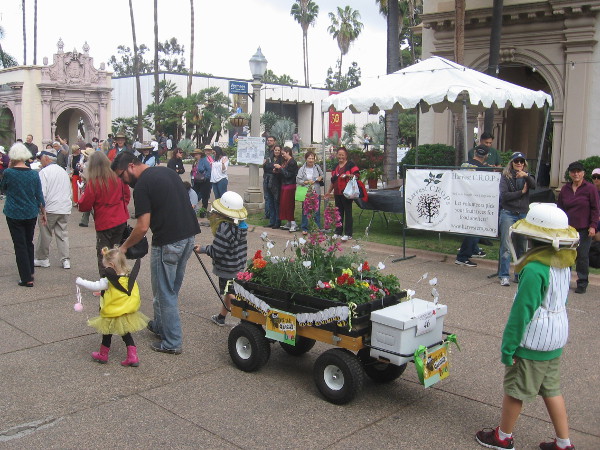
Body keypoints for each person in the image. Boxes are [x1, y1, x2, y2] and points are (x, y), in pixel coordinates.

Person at [475, 203, 579, 450]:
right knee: (551, 388)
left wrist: (508, 347)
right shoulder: (562, 264)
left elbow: (521, 312)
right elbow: (562, 299)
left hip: (533, 341)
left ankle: (503, 436)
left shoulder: (534, 269)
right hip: (555, 339)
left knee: (515, 390)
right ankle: (564, 443)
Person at [112, 151, 200, 355]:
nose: (123, 181)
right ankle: (161, 326)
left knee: (164, 292)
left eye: (121, 175)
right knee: (170, 289)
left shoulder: (142, 186)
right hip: (188, 237)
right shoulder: (167, 172)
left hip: (168, 242)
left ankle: (172, 341)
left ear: (131, 166)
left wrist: (123, 247)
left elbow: (142, 227)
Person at [76, 247, 149, 367]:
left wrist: (80, 281)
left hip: (113, 311)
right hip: (125, 311)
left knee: (107, 333)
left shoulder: (109, 280)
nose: (105, 268)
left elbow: (95, 286)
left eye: (106, 266)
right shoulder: (127, 276)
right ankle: (132, 356)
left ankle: (103, 355)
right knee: (126, 333)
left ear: (111, 265)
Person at [195, 191, 248, 326]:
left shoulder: (225, 227)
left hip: (227, 267)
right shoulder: (241, 225)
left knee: (231, 294)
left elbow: (217, 251)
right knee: (228, 291)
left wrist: (202, 249)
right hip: (238, 265)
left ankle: (247, 318)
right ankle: (221, 317)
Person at [0, 143, 47, 287]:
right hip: (30, 211)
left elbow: (3, 188)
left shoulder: (9, 173)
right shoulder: (34, 174)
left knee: (19, 244)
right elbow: (39, 195)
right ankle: (30, 271)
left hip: (14, 212)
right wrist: (43, 213)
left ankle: (26, 277)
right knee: (28, 242)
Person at [78, 151, 131, 277]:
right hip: (120, 220)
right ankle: (119, 276)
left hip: (105, 222)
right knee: (117, 251)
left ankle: (106, 282)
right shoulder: (118, 178)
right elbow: (126, 196)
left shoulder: (94, 182)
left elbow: (85, 205)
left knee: (104, 253)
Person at [556, 161, 599, 294]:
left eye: (578, 171)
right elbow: (560, 209)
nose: (576, 174)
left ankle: (582, 282)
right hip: (568, 229)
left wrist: (593, 226)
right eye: (573, 171)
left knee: (582, 256)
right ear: (569, 174)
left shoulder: (590, 188)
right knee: (566, 255)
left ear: (583, 173)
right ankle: (564, 281)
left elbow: (595, 209)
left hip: (584, 229)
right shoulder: (565, 189)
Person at [497, 152, 536, 286]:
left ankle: (519, 275)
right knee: (506, 245)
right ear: (512, 163)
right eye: (516, 161)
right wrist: (522, 193)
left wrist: (525, 176)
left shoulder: (527, 176)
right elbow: (504, 196)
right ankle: (504, 275)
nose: (519, 164)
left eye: (521, 161)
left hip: (523, 214)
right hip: (508, 212)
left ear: (524, 163)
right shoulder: (505, 176)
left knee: (522, 246)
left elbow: (534, 185)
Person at [453, 145, 491, 267]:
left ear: (474, 152)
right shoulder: (484, 169)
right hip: (476, 201)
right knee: (475, 228)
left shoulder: (464, 165)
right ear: (486, 156)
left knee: (471, 227)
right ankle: (462, 256)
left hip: (462, 199)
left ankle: (474, 250)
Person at [33, 151, 72, 270]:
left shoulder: (44, 172)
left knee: (45, 234)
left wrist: (41, 209)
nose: (40, 162)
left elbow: (42, 193)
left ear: (46, 159)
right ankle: (65, 260)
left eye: (41, 159)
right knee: (62, 234)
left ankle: (42, 258)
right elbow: (68, 190)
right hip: (64, 207)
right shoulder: (63, 171)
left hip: (50, 207)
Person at [324, 146, 359, 241]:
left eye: (342, 155)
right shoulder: (335, 166)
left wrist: (347, 175)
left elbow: (357, 176)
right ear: (336, 155)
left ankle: (348, 234)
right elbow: (333, 181)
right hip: (337, 193)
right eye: (339, 155)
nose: (341, 157)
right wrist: (328, 192)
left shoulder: (350, 164)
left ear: (346, 155)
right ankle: (338, 232)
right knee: (338, 212)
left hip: (347, 193)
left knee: (348, 212)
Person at [296, 150, 324, 235]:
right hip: (306, 191)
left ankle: (317, 227)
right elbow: (298, 179)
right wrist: (306, 182)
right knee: (305, 210)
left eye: (312, 158)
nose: (311, 160)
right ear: (306, 159)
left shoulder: (317, 167)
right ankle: (304, 227)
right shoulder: (302, 168)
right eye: (309, 158)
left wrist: (320, 178)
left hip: (316, 191)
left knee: (316, 210)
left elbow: (322, 175)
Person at [274, 147, 299, 232]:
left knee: (289, 204)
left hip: (290, 185)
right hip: (284, 185)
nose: (282, 155)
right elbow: (284, 173)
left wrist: (280, 168)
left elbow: (288, 175)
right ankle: (288, 222)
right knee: (284, 204)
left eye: (283, 153)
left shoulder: (292, 162)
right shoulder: (286, 162)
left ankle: (293, 223)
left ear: (288, 152)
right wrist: (277, 170)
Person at [263, 144, 283, 228]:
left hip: (276, 183)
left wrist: (271, 166)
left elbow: (277, 169)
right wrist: (271, 166)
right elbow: (266, 167)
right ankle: (272, 221)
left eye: (278, 150)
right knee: (270, 201)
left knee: (276, 202)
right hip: (268, 181)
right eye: (275, 150)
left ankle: (277, 221)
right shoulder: (270, 158)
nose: (277, 152)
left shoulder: (281, 160)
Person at [190, 149, 211, 213]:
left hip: (204, 181)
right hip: (196, 180)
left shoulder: (204, 161)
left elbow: (209, 170)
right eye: (194, 155)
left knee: (205, 196)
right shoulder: (195, 161)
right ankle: (193, 208)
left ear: (200, 155)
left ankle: (203, 210)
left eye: (196, 154)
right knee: (194, 194)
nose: (195, 156)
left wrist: (205, 177)